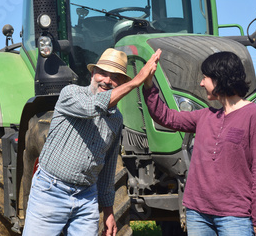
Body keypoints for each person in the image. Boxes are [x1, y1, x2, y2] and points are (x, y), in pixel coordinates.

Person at [23, 48, 160, 236]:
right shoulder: (70, 93)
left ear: (121, 83)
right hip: (51, 191)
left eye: (115, 77)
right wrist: (137, 81)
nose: (107, 80)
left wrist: (109, 210)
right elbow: (92, 107)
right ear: (93, 73)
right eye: (102, 73)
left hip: (86, 197)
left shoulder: (116, 119)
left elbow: (108, 166)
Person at [143, 50, 256, 236]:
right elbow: (165, 116)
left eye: (205, 77)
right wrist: (149, 84)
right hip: (197, 213)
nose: (201, 83)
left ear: (220, 79)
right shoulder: (205, 116)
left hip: (235, 216)